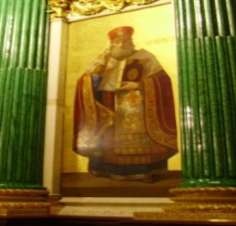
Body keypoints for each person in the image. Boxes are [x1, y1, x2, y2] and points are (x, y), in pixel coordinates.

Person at [73, 26, 178, 182]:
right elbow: (85, 82)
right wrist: (96, 74)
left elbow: (162, 80)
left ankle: (144, 171)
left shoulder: (146, 57)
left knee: (139, 142)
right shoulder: (102, 59)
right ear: (111, 44)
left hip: (139, 106)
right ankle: (107, 170)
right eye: (117, 42)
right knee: (109, 139)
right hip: (109, 104)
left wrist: (139, 85)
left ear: (131, 41)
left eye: (125, 41)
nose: (122, 45)